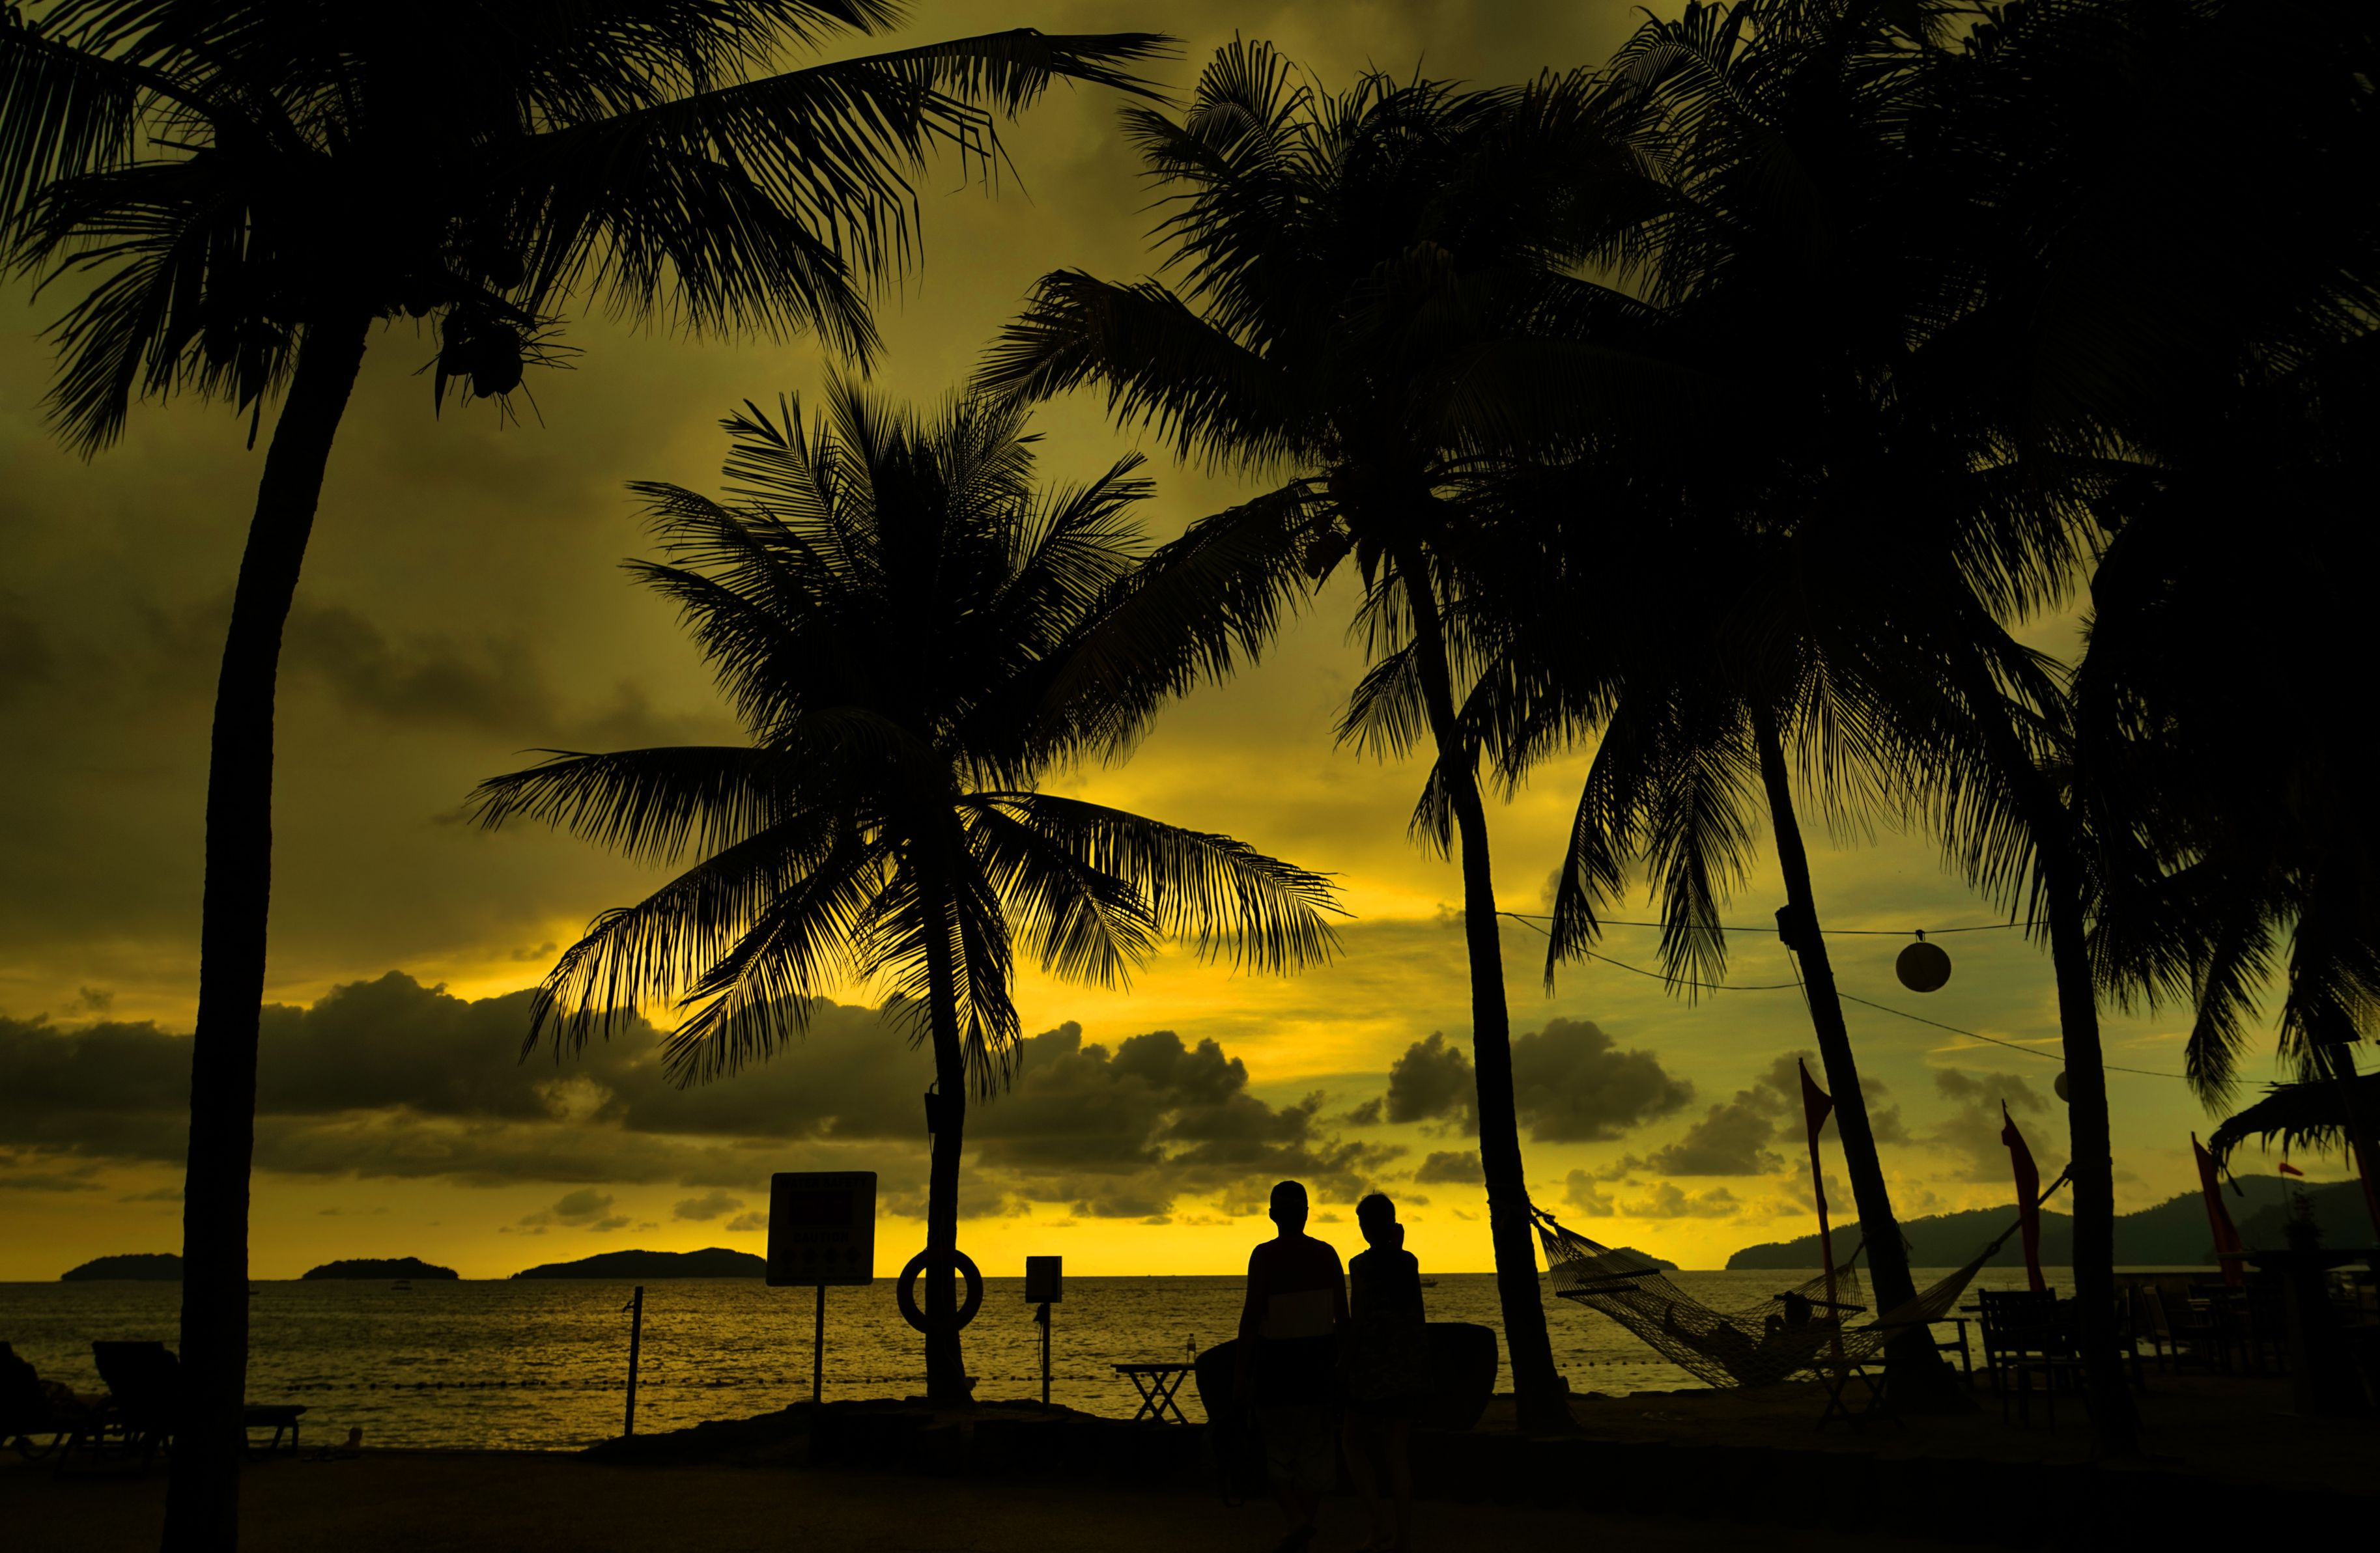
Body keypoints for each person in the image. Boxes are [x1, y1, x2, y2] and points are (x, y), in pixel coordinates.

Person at [1238, 1179, 1346, 1553]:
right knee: (1315, 1456)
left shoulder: (1264, 1256)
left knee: (1275, 1452)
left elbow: (1251, 1317)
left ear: (1272, 1215)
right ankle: (1301, 1524)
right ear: (1306, 1213)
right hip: (1319, 1367)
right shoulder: (1326, 1254)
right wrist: (1344, 1363)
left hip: (1276, 1369)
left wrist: (1241, 1372)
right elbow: (1343, 1317)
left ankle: (1296, 1521)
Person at [1341, 1193, 1430, 1552]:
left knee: (1352, 1442)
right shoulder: (1408, 1262)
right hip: (1405, 1366)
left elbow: (1359, 1317)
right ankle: (1403, 1537)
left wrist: (1345, 1361)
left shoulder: (1360, 1265)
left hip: (1372, 1367)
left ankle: (1378, 1523)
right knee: (1397, 1453)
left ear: (1366, 1228)